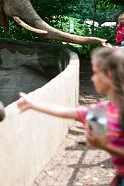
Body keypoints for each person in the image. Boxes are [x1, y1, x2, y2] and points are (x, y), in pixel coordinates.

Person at [16, 47, 124, 186]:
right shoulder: (103, 110)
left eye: (96, 73)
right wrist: (32, 104)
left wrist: (105, 145)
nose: (92, 78)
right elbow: (66, 112)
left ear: (108, 75)